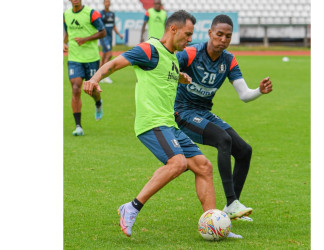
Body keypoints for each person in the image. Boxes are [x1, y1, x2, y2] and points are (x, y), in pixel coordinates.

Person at [83, 10, 244, 238]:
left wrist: (181, 77)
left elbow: (163, 74)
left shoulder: (171, 56)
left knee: (203, 166)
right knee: (177, 163)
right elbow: (115, 63)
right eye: (187, 34)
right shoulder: (149, 49)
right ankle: (132, 207)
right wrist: (94, 79)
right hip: (152, 123)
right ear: (173, 29)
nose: (190, 40)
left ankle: (214, 224)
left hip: (169, 124)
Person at [174, 15, 273, 221]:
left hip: (203, 112)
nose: (223, 39)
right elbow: (166, 69)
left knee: (244, 151)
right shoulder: (191, 53)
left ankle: (231, 206)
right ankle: (231, 201)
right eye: (219, 34)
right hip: (183, 112)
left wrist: (259, 91)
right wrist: (176, 76)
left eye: (228, 36)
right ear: (210, 33)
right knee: (223, 139)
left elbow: (245, 95)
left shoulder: (228, 60)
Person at [63, 0, 106, 136]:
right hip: (74, 58)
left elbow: (103, 32)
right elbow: (68, 32)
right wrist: (63, 42)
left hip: (91, 58)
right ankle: (78, 126)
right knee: (76, 88)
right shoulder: (66, 14)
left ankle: (98, 102)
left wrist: (85, 39)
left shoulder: (91, 14)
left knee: (92, 90)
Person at [99, 0, 124, 84]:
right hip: (104, 37)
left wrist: (119, 34)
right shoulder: (101, 14)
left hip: (110, 37)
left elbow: (113, 26)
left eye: (108, 2)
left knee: (104, 57)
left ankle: (99, 76)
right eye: (106, 2)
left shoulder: (112, 14)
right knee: (109, 55)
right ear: (104, 3)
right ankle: (104, 75)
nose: (107, 3)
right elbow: (99, 26)